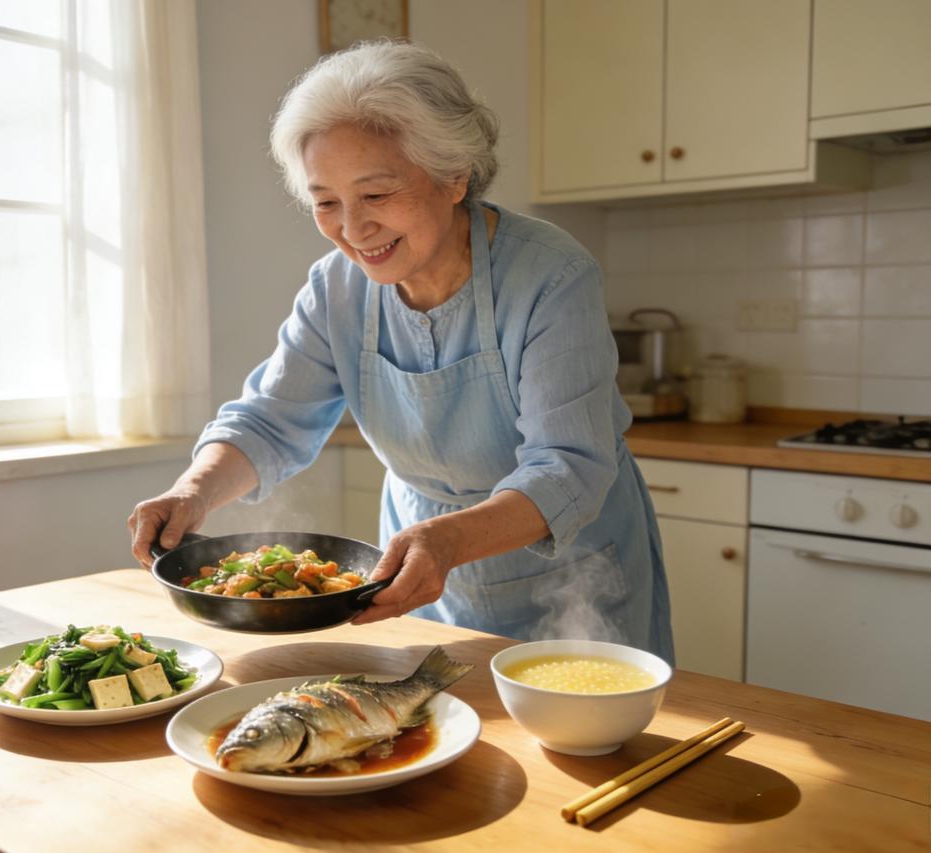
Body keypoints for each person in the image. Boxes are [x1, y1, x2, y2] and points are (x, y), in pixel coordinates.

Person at [127, 40, 674, 661]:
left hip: (567, 572)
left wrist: (447, 540)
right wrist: (192, 492)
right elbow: (268, 422)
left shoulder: (552, 275)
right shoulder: (335, 287)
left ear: (453, 176)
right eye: (326, 203)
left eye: (378, 195)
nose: (353, 231)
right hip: (415, 565)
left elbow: (569, 466)